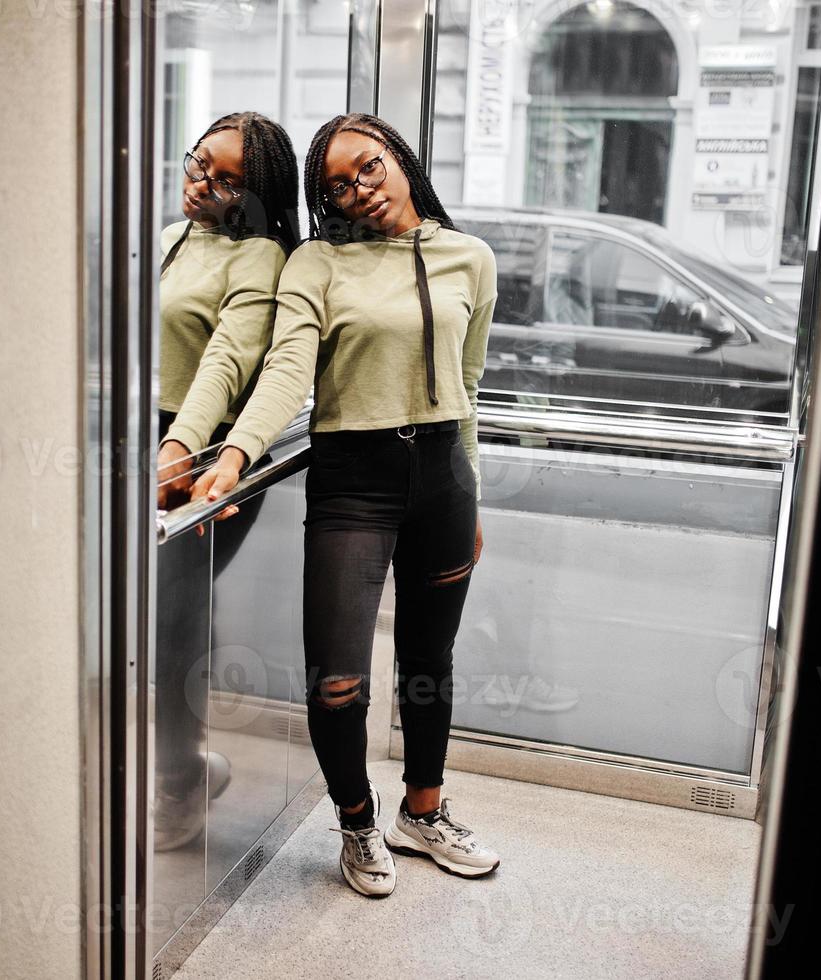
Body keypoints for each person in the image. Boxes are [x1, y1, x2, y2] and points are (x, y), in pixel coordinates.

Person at [187, 112, 501, 896]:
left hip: (441, 481)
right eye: (335, 185)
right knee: (338, 681)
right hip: (351, 484)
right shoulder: (315, 265)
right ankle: (356, 825)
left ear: (398, 158)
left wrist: (472, 491)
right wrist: (232, 456)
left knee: (429, 663)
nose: (357, 190)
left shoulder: (468, 258)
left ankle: (421, 814)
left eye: (367, 167)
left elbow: (469, 390)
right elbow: (286, 370)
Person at [151, 111, 299, 851]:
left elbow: (228, 359)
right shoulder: (182, 236)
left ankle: (178, 781)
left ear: (257, 192)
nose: (199, 182)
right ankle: (181, 764)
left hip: (209, 456)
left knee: (171, 617)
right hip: (155, 439)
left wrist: (180, 447)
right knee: (160, 611)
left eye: (224, 179)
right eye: (198, 162)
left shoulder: (262, 257)